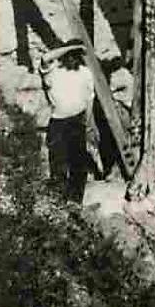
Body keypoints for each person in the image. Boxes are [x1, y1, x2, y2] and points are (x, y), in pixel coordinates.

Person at [38, 42, 95, 204]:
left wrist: (88, 122)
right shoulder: (53, 71)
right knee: (58, 163)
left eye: (77, 56)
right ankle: (59, 203)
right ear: (64, 56)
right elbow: (45, 58)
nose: (74, 59)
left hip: (77, 121)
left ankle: (76, 202)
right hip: (58, 123)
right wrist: (71, 47)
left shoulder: (85, 73)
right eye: (70, 55)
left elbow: (89, 98)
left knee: (78, 164)